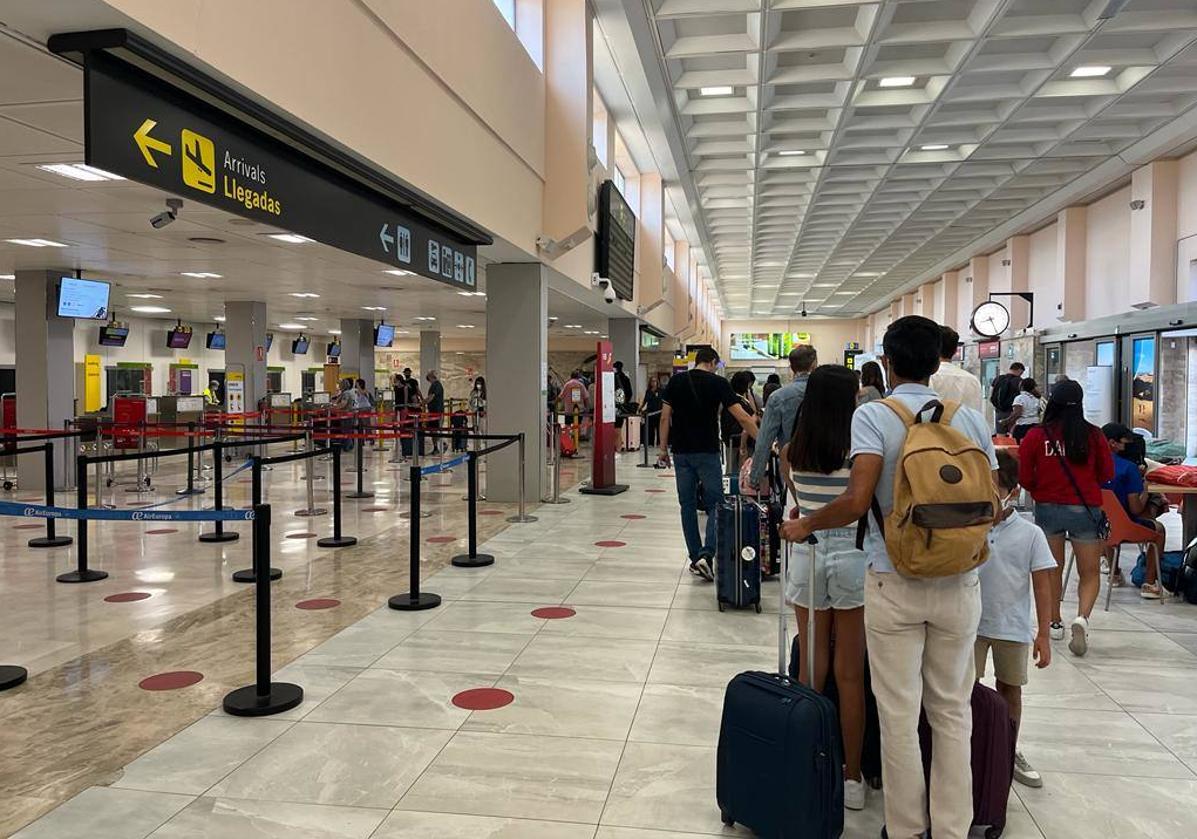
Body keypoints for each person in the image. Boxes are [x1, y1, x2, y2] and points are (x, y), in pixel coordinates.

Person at [780, 315, 996, 839]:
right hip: (959, 581)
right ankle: (951, 829)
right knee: (951, 711)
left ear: (891, 362)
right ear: (937, 359)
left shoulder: (875, 416)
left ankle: (903, 829)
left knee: (898, 712)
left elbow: (856, 501)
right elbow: (994, 498)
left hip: (892, 577)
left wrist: (806, 522)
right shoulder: (970, 419)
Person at [779, 364, 869, 812]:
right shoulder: (860, 452)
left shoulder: (794, 451)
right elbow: (860, 503)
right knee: (850, 674)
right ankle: (852, 777)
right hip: (853, 555)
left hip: (807, 555)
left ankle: (805, 763)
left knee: (811, 670)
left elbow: (795, 502)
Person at [976, 449, 1055, 789]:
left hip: (1013, 626)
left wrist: (1044, 634)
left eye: (995, 485)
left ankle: (1008, 750)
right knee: (965, 689)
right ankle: (973, 748)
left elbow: (1042, 584)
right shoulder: (968, 529)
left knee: (1010, 689)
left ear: (1011, 489)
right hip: (970, 626)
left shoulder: (1030, 534)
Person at [1017, 379, 1113, 656]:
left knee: (1051, 569)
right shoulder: (1094, 435)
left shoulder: (1037, 435)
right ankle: (1082, 618)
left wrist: (1040, 491)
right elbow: (1106, 474)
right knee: (1090, 572)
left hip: (1048, 508)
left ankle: (1054, 622)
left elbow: (1024, 476)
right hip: (1085, 509)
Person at [658, 347, 757, 580]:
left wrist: (663, 449)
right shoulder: (718, 384)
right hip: (707, 451)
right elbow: (742, 416)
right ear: (712, 363)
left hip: (681, 452)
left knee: (687, 505)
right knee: (716, 503)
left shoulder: (676, 381)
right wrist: (762, 440)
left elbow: (664, 417)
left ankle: (695, 557)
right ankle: (707, 554)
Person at [1102, 423, 1166, 599]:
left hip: (1098, 527)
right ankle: (1149, 582)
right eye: (1124, 442)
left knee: (1108, 526)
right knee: (1159, 529)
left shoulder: (1090, 465)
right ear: (1113, 443)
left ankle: (1113, 573)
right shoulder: (1128, 468)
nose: (1126, 446)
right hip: (1126, 526)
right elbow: (1136, 509)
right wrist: (1145, 490)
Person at [747, 345, 817, 492]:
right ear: (814, 364)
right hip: (829, 466)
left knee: (795, 512)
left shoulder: (778, 397)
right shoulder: (830, 393)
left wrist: (754, 478)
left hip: (791, 466)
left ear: (791, 367)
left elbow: (764, 440)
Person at [929, 326, 983, 414]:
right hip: (965, 427)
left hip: (933, 427)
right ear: (955, 351)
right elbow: (976, 412)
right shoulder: (973, 380)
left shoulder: (929, 377)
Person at [722, 370, 757, 468]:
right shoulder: (740, 401)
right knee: (745, 468)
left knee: (732, 468)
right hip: (743, 440)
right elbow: (751, 416)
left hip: (731, 440)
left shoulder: (729, 399)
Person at [990, 362, 1026, 434]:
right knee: (1012, 434)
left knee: (1000, 434)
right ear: (1019, 370)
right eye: (1021, 373)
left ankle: (1001, 444)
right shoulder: (1019, 381)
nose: (1021, 374)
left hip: (999, 411)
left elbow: (991, 393)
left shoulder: (998, 379)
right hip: (1012, 412)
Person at [1005, 378, 1042, 442]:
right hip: (1036, 425)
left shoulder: (1020, 398)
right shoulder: (1037, 398)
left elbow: (1017, 413)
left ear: (1022, 387)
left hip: (1023, 427)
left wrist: (1007, 421)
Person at [613, 361, 633, 451]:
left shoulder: (613, 378)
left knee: (616, 429)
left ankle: (618, 447)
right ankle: (619, 446)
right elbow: (630, 393)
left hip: (614, 406)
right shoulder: (625, 378)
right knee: (618, 428)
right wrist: (625, 402)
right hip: (622, 406)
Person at [425, 370, 446, 453]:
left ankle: (442, 444)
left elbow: (431, 397)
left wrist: (422, 403)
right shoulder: (434, 385)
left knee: (435, 429)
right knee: (433, 429)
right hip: (433, 410)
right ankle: (436, 447)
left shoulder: (436, 385)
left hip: (437, 411)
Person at [640, 376, 664, 447]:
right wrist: (640, 408)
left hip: (659, 412)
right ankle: (650, 443)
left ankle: (659, 443)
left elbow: (663, 401)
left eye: (655, 381)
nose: (653, 383)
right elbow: (645, 401)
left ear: (657, 382)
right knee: (650, 429)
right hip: (650, 412)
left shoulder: (661, 391)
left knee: (659, 428)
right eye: (652, 381)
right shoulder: (648, 391)